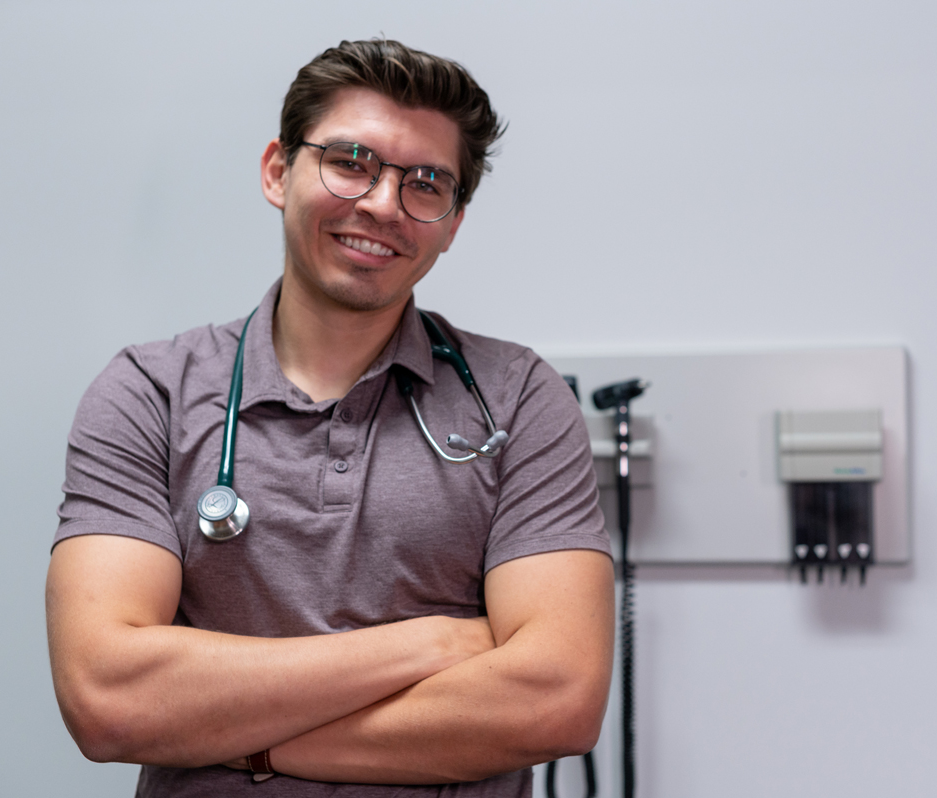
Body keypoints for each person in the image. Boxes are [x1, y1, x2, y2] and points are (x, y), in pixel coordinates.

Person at [46, 39, 614, 798]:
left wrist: (251, 743)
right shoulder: (151, 393)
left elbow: (556, 702)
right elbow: (109, 699)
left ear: (452, 222)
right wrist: (433, 643)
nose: (383, 204)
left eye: (426, 183)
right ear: (278, 172)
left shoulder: (517, 398)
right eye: (350, 162)